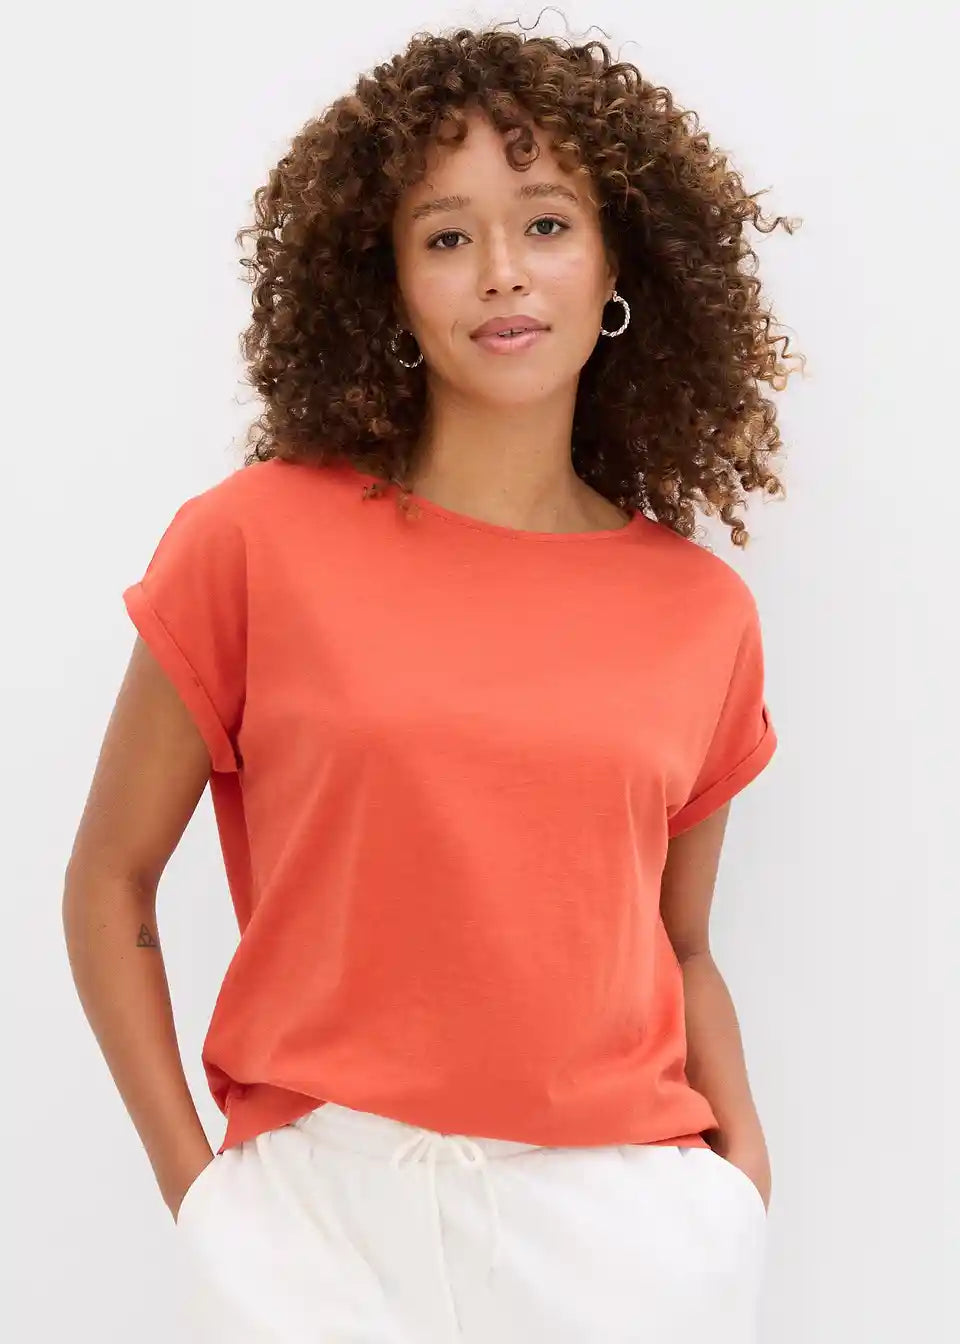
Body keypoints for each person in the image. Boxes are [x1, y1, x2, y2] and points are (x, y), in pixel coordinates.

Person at [63, 20, 801, 1343]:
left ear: (618, 262)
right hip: (316, 1232)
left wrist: (738, 1177)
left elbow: (680, 941)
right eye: (448, 236)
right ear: (390, 283)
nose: (502, 271)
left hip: (624, 1242)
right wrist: (201, 1197)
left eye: (547, 224)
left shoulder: (701, 614)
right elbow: (109, 879)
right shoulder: (254, 541)